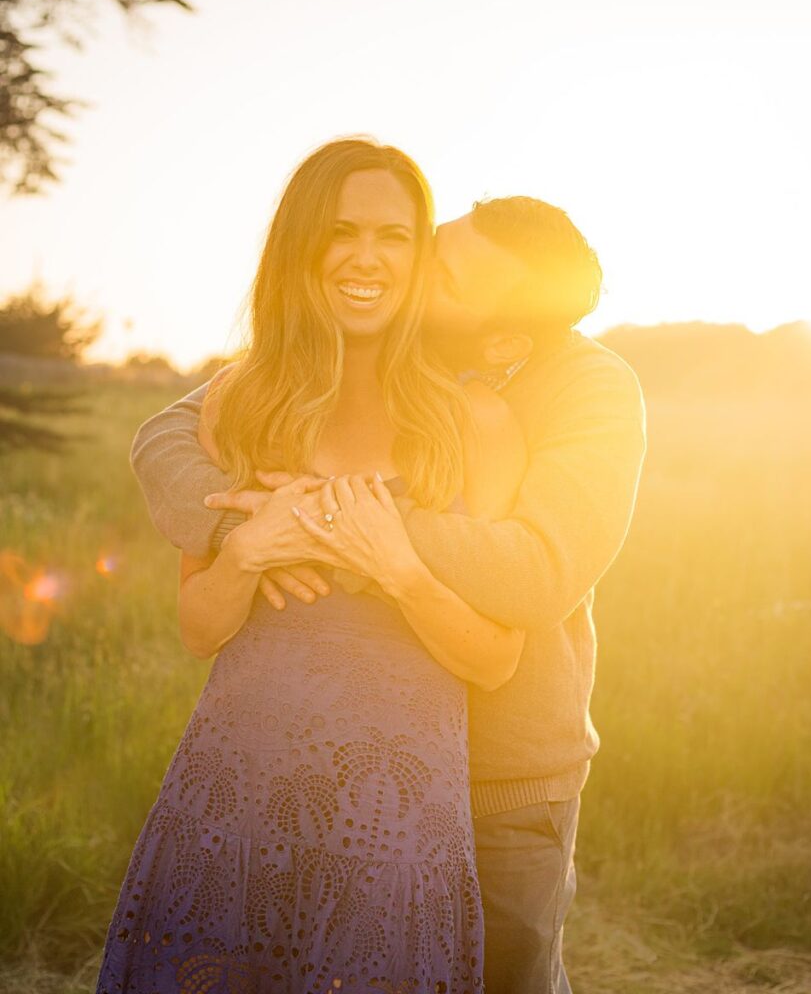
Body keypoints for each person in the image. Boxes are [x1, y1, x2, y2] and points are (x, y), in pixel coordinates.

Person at [130, 185, 647, 993]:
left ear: (503, 336)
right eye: (430, 243)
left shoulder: (588, 388)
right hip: (337, 755)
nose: (407, 271)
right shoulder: (364, 358)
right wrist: (245, 527)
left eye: (440, 277)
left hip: (500, 772)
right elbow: (165, 434)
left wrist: (349, 525)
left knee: (501, 977)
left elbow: (539, 570)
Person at [96, 138, 533, 994]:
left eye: (393, 236)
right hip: (235, 796)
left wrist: (399, 569)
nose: (365, 258)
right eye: (340, 232)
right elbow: (199, 629)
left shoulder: (474, 423)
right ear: (301, 246)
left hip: (393, 817)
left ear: (418, 255)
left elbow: (494, 659)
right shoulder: (239, 400)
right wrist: (246, 552)